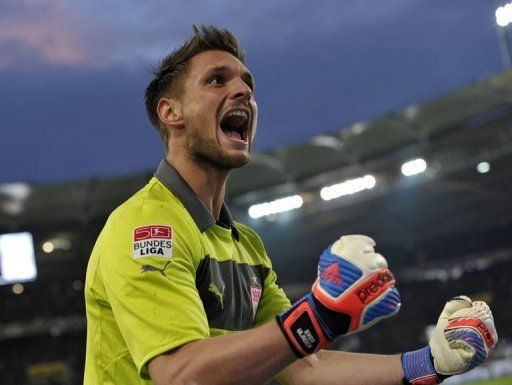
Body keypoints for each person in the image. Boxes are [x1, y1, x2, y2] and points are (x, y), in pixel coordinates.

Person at [84, 25, 498, 385]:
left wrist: (427, 363)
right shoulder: (146, 227)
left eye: (247, 83)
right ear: (170, 112)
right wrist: (317, 315)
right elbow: (181, 374)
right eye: (216, 80)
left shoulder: (245, 246)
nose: (242, 90)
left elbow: (303, 366)